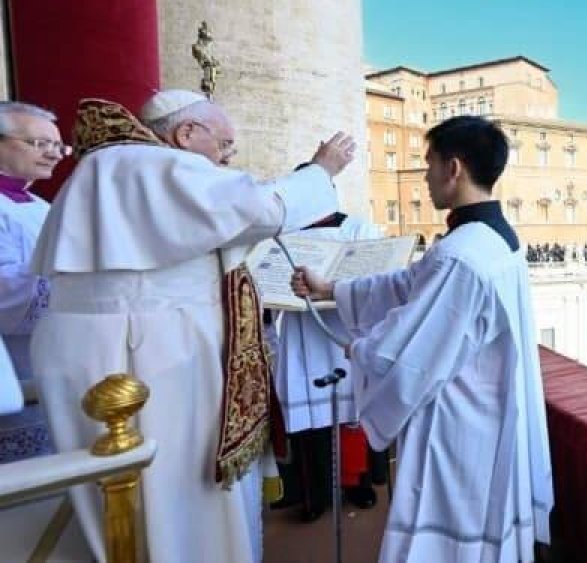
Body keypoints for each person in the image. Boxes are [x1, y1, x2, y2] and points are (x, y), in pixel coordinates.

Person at [30, 92, 355, 563]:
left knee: (126, 493)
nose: (228, 158)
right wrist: (320, 170)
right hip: (152, 353)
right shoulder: (149, 163)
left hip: (112, 344)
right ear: (185, 134)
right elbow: (262, 208)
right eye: (224, 144)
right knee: (173, 493)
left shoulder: (112, 166)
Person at [292, 116, 552, 562]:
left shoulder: (462, 254)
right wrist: (332, 288)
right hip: (486, 406)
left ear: (454, 168)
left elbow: (411, 353)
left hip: (460, 420)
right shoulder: (490, 236)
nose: (425, 176)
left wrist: (360, 349)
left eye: (428, 164)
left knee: (449, 538)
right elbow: (409, 284)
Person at [269, 179, 385, 521]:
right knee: (312, 425)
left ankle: (357, 484)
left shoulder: (360, 227)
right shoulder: (284, 234)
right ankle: (313, 494)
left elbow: (377, 276)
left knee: (353, 418)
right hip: (304, 333)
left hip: (345, 329)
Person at [0, 102, 66, 462]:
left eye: (58, 146)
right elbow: (4, 294)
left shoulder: (42, 206)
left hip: (48, 359)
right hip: (12, 365)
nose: (54, 154)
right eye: (40, 144)